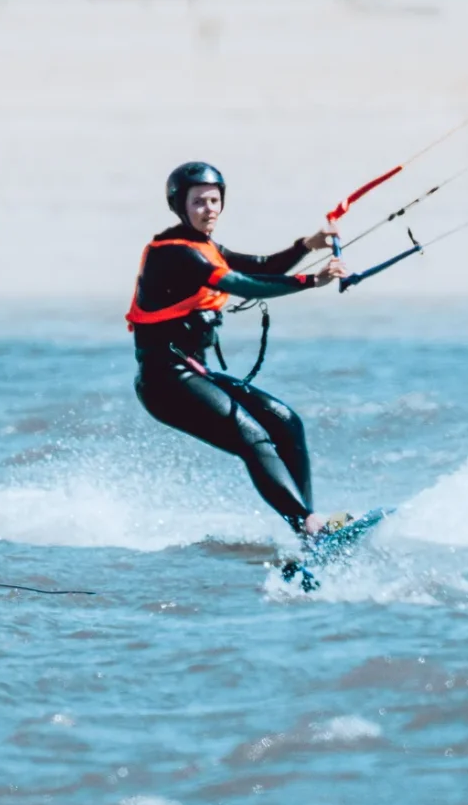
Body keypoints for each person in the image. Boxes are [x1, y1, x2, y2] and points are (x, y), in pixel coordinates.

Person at [127, 161, 351, 539]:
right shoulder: (174, 252)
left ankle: (307, 528)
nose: (209, 208)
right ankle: (308, 526)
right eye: (199, 202)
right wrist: (312, 280)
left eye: (215, 201)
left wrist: (307, 245)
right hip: (164, 382)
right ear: (180, 206)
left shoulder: (207, 247)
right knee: (253, 437)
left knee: (285, 420)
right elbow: (245, 284)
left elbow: (262, 265)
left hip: (193, 375)